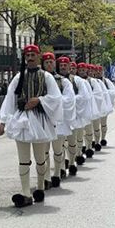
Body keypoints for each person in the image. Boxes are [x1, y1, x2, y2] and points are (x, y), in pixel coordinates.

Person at [0, 45, 62, 207]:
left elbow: (56, 97)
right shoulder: (18, 77)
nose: (30, 58)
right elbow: (10, 98)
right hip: (22, 120)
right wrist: (3, 121)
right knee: (23, 160)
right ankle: (26, 193)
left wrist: (39, 100)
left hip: (39, 120)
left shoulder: (46, 77)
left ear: (38, 56)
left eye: (33, 55)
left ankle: (40, 187)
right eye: (28, 55)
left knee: (40, 158)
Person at [42, 53, 76, 187]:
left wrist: (51, 101)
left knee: (58, 150)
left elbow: (69, 99)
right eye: (46, 62)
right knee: (43, 151)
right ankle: (45, 177)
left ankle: (56, 173)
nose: (49, 64)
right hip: (43, 119)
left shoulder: (63, 81)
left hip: (58, 121)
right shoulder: (38, 79)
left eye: (51, 62)